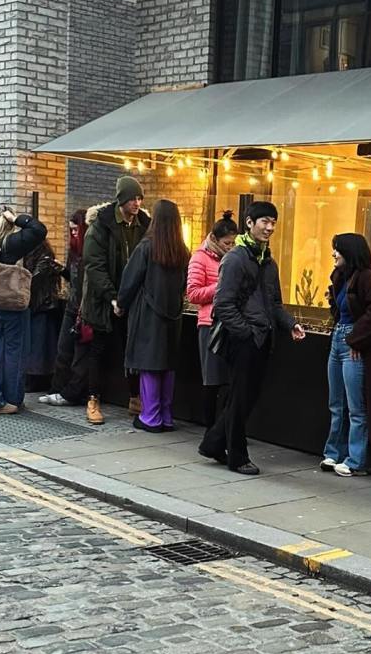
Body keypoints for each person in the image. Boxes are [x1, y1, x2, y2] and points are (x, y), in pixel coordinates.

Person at [199, 201, 306, 475]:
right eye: (264, 222)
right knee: (240, 398)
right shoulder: (235, 259)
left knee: (243, 398)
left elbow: (275, 304)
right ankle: (237, 456)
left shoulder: (269, 263)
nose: (269, 227)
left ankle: (213, 443)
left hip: (263, 340)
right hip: (244, 341)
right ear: (249, 223)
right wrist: (245, 333)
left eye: (273, 222)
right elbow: (223, 304)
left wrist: (290, 324)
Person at [79, 177, 150, 424]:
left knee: (131, 351)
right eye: (133, 198)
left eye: (140, 198)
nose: (137, 203)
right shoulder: (101, 225)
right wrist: (112, 297)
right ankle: (93, 400)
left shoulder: (144, 224)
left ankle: (134, 397)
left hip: (132, 299)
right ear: (122, 200)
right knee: (98, 350)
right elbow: (94, 265)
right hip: (103, 300)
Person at [321, 233, 371, 477]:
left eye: (337, 250)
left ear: (349, 252)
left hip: (353, 344)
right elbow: (342, 310)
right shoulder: (342, 277)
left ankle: (355, 460)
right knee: (336, 403)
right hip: (339, 341)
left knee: (356, 406)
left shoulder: (366, 278)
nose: (333, 254)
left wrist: (356, 338)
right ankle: (333, 453)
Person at [117, 198, 189, 432]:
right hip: (174, 316)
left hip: (149, 314)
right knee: (168, 365)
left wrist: (121, 303)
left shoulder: (146, 247)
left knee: (149, 364)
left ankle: (150, 416)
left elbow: (129, 282)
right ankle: (166, 416)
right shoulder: (183, 251)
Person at [0, 209, 47, 415]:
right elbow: (39, 230)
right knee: (15, 352)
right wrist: (17, 218)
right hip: (11, 303)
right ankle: (11, 398)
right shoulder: (10, 243)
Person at [187, 211, 239, 426]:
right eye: (227, 243)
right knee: (212, 381)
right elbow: (193, 293)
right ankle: (210, 427)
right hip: (209, 324)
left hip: (231, 323)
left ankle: (223, 427)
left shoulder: (234, 257)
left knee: (229, 381)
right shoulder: (200, 257)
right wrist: (220, 288)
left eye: (233, 243)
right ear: (215, 239)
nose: (230, 246)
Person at [41, 208, 89, 407]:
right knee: (63, 350)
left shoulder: (89, 251)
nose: (74, 233)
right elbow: (74, 279)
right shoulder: (74, 252)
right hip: (72, 305)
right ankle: (57, 388)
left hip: (84, 309)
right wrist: (62, 270)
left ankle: (71, 393)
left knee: (80, 354)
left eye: (76, 230)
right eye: (71, 230)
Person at [23, 238, 64, 390]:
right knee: (41, 345)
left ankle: (36, 379)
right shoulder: (44, 256)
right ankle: (38, 378)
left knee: (39, 345)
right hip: (42, 305)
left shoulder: (42, 258)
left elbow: (34, 281)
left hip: (41, 305)